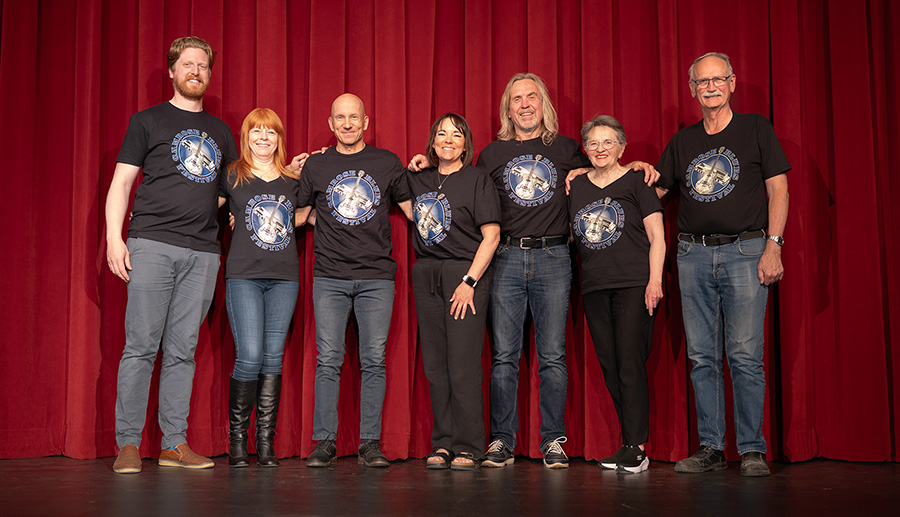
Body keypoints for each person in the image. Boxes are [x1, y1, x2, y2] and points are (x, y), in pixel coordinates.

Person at [410, 73, 658, 469]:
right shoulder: (491, 155)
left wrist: (637, 165)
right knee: (504, 356)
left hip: (554, 259)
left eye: (532, 97)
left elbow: (604, 172)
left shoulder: (567, 150)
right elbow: (454, 179)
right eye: (516, 99)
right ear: (508, 108)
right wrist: (423, 165)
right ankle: (502, 441)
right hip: (505, 259)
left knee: (553, 356)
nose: (524, 105)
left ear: (543, 104)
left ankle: (552, 439)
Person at [105, 36, 238, 474]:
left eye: (203, 65)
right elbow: (121, 183)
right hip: (151, 245)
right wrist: (114, 238)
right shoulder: (147, 121)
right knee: (141, 346)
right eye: (188, 64)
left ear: (209, 75)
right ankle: (127, 443)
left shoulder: (220, 132)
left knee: (183, 350)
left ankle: (173, 443)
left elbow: (230, 191)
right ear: (172, 71)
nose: (196, 71)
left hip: (202, 252)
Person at [656, 52, 790, 477]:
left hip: (746, 251)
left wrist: (774, 246)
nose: (710, 87)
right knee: (702, 357)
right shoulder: (683, 141)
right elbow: (653, 189)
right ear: (692, 89)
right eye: (702, 81)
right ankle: (712, 447)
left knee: (745, 355)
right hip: (693, 254)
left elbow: (779, 189)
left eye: (718, 79)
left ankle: (751, 449)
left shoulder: (755, 128)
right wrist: (593, 177)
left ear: (732, 83)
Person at [299, 93, 412, 468]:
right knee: (328, 360)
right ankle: (325, 441)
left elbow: (415, 209)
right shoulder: (317, 165)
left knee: (374, 361)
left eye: (354, 118)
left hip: (376, 277)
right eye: (340, 118)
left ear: (366, 122)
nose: (347, 124)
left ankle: (370, 443)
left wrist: (429, 167)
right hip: (329, 276)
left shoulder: (387, 162)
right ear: (331, 125)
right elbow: (297, 212)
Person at [568, 116, 664, 474]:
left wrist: (655, 281)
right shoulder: (577, 186)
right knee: (610, 365)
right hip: (594, 286)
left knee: (629, 362)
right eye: (593, 143)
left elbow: (657, 235)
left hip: (634, 284)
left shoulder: (637, 180)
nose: (600, 149)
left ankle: (637, 447)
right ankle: (627, 443)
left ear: (622, 147)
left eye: (608, 142)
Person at [405, 114, 501, 471]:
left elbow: (491, 235)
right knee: (436, 366)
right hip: (426, 272)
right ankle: (442, 443)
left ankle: (469, 445)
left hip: (465, 275)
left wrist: (470, 282)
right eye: (441, 134)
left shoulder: (477, 179)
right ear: (432, 141)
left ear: (466, 143)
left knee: (462, 365)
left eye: (456, 134)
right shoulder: (420, 178)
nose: (448, 139)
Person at [218, 108, 303, 468]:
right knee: (249, 355)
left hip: (284, 278)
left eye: (271, 132)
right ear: (247, 136)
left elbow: (305, 214)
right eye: (257, 132)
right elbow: (204, 210)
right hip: (244, 276)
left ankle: (264, 441)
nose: (264, 138)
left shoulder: (293, 180)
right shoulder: (232, 175)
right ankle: (238, 438)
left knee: (272, 358)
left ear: (279, 139)